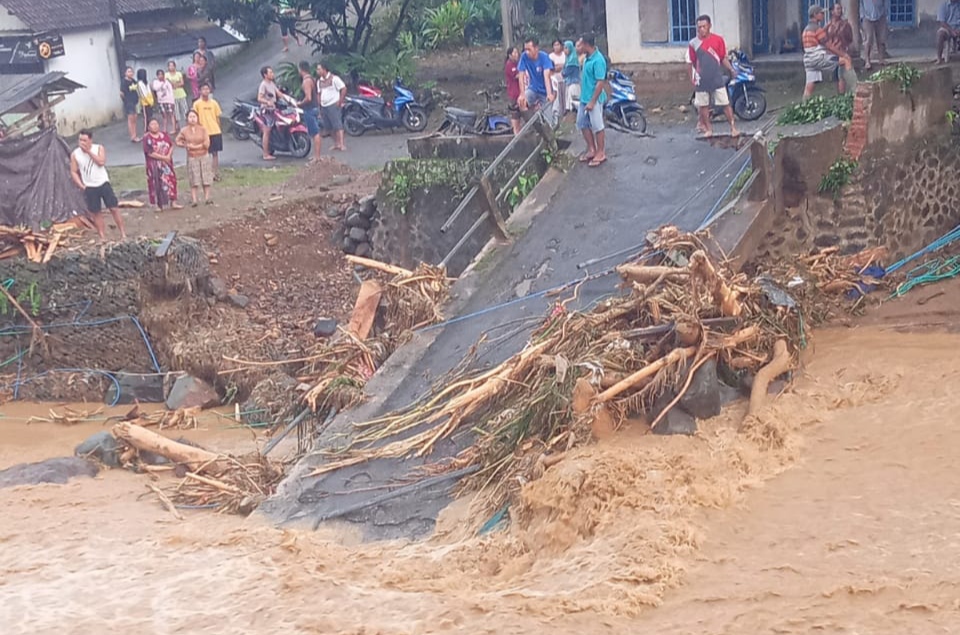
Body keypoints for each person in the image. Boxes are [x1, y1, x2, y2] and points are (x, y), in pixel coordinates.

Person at [69, 130, 127, 240]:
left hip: (103, 183)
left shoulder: (99, 148)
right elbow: (73, 171)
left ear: (90, 140)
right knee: (96, 212)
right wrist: (81, 185)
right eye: (80, 140)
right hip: (89, 186)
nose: (82, 143)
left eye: (85, 140)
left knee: (114, 208)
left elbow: (101, 162)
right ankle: (102, 237)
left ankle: (123, 233)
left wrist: (89, 152)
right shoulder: (75, 154)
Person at [689, 15, 739, 137]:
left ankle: (733, 128)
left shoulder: (718, 40)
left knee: (725, 104)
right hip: (702, 80)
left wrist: (731, 69)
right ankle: (708, 129)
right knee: (703, 106)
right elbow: (693, 62)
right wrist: (694, 77)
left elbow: (723, 58)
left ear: (709, 26)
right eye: (699, 27)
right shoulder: (693, 43)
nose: (701, 29)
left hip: (717, 77)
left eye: (704, 26)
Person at [802, 5, 853, 99]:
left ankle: (804, 105)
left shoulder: (806, 30)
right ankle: (856, 88)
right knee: (845, 61)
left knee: (809, 86)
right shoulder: (817, 29)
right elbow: (829, 46)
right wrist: (843, 54)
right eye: (821, 13)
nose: (822, 15)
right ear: (815, 15)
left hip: (808, 61)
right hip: (818, 58)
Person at [577, 35, 607, 167]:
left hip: (594, 99)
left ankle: (600, 152)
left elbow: (600, 83)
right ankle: (591, 149)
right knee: (582, 123)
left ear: (586, 44)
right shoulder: (587, 58)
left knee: (597, 126)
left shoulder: (598, 60)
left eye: (579, 44)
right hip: (584, 98)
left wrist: (592, 101)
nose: (577, 46)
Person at [175, 110, 213, 206]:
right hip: (192, 157)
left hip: (203, 155)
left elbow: (207, 144)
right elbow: (177, 141)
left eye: (194, 117)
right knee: (193, 178)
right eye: (190, 117)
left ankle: (207, 198)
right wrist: (185, 145)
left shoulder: (203, 129)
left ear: (197, 118)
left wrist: (196, 146)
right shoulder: (184, 130)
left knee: (206, 177)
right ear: (187, 119)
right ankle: (194, 199)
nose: (192, 119)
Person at [142, 119, 182, 211]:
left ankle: (173, 202)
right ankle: (157, 205)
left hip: (167, 164)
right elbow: (150, 153)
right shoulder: (147, 138)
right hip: (154, 165)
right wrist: (163, 158)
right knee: (155, 183)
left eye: (156, 123)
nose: (155, 126)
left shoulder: (164, 135)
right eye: (152, 124)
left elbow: (171, 145)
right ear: (148, 127)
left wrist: (168, 156)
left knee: (171, 180)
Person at [517, 37, 554, 119]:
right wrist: (522, 94)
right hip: (533, 88)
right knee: (521, 103)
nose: (527, 52)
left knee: (549, 118)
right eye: (525, 49)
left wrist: (549, 93)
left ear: (536, 48)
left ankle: (548, 126)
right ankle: (532, 121)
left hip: (544, 91)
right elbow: (521, 76)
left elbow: (546, 76)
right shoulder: (524, 57)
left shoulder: (544, 57)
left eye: (529, 49)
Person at [193, 83, 223, 180]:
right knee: (204, 153)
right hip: (203, 132)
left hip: (215, 131)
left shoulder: (214, 103)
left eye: (207, 89)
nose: (206, 91)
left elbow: (218, 117)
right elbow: (194, 118)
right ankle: (206, 172)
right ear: (200, 91)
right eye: (204, 89)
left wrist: (219, 128)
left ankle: (215, 172)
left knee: (215, 153)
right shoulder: (197, 104)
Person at [258, 65, 288, 161]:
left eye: (272, 72)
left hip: (274, 109)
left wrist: (289, 99)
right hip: (267, 111)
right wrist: (267, 102)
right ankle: (265, 154)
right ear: (265, 75)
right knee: (267, 131)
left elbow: (279, 94)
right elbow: (259, 98)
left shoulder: (271, 83)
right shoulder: (263, 85)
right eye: (270, 72)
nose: (272, 74)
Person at [826, 3, 857, 94]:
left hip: (842, 51)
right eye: (837, 9)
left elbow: (849, 38)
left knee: (842, 74)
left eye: (840, 9)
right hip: (831, 53)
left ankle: (847, 92)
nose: (840, 11)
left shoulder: (845, 24)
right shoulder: (828, 25)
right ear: (832, 11)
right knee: (838, 76)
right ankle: (841, 95)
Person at [317, 62, 347, 152]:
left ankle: (341, 144)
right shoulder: (319, 81)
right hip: (324, 106)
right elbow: (319, 93)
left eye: (319, 69)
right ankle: (336, 143)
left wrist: (340, 101)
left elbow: (343, 88)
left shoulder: (334, 78)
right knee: (328, 127)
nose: (317, 71)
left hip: (333, 104)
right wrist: (319, 105)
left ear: (324, 69)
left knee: (337, 125)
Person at [298, 60, 321, 162]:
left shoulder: (306, 81)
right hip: (314, 108)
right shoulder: (311, 79)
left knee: (315, 133)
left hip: (309, 109)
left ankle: (317, 157)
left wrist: (300, 104)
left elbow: (308, 98)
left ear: (300, 69)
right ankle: (316, 155)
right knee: (315, 132)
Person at [860, 0, 889, 70]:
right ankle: (867, 60)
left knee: (881, 38)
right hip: (867, 17)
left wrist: (886, 13)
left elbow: (886, 3)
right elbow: (860, 4)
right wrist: (862, 16)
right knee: (868, 39)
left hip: (881, 16)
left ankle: (881, 58)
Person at [504, 46, 522, 134]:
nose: (516, 54)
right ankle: (516, 132)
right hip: (514, 93)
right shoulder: (509, 65)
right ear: (510, 55)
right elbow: (516, 76)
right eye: (514, 53)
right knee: (515, 115)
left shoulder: (518, 63)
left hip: (520, 92)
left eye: (517, 52)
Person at [152, 69, 176, 134]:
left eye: (162, 74)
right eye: (159, 75)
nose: (160, 76)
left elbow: (171, 91)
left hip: (169, 100)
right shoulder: (155, 82)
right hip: (161, 101)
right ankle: (164, 129)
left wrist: (172, 101)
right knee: (164, 115)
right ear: (157, 76)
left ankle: (173, 128)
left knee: (171, 114)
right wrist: (162, 83)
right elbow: (155, 88)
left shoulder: (167, 82)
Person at [167, 60, 189, 130]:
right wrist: (176, 84)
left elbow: (182, 83)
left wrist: (175, 84)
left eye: (172, 65)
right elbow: (167, 84)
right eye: (170, 66)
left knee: (185, 110)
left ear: (175, 66)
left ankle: (187, 124)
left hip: (181, 94)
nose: (171, 67)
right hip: (172, 96)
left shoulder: (179, 73)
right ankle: (180, 126)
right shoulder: (166, 75)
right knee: (176, 112)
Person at [549, 39, 567, 124]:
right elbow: (552, 68)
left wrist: (559, 66)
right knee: (557, 99)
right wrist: (560, 66)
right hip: (555, 80)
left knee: (565, 97)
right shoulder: (551, 56)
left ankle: (565, 115)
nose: (556, 47)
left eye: (558, 45)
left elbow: (566, 65)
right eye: (554, 45)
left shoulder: (564, 54)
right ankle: (557, 117)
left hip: (564, 79)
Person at [937, 0, 960, 65]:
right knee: (940, 34)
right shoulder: (943, 5)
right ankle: (939, 58)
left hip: (958, 27)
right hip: (947, 28)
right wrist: (952, 30)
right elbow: (942, 22)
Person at [120, 66, 140, 143]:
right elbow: (121, 93)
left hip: (135, 101)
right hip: (129, 102)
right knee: (131, 118)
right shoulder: (124, 82)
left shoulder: (133, 81)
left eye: (131, 71)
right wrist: (126, 100)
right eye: (128, 71)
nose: (130, 73)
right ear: (125, 73)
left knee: (135, 118)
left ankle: (135, 135)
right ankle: (132, 136)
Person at [562, 40, 581, 116]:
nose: (565, 50)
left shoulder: (572, 60)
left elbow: (565, 72)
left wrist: (562, 72)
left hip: (574, 83)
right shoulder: (568, 58)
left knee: (573, 102)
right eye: (564, 48)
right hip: (569, 82)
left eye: (566, 48)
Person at [136, 68, 155, 136]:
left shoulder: (146, 82)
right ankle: (146, 130)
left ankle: (150, 129)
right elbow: (143, 94)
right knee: (146, 116)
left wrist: (152, 101)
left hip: (149, 101)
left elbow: (149, 92)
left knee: (150, 116)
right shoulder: (140, 83)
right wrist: (149, 101)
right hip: (145, 103)